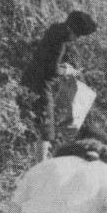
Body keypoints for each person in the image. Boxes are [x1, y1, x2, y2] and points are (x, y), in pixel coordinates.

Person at [19, 10, 98, 160]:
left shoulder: (54, 29)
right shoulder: (61, 41)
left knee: (33, 123)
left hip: (28, 78)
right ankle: (41, 169)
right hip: (41, 85)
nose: (76, 39)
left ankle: (28, 157)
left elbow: (45, 58)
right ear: (75, 31)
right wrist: (66, 70)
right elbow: (51, 70)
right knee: (45, 131)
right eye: (78, 35)